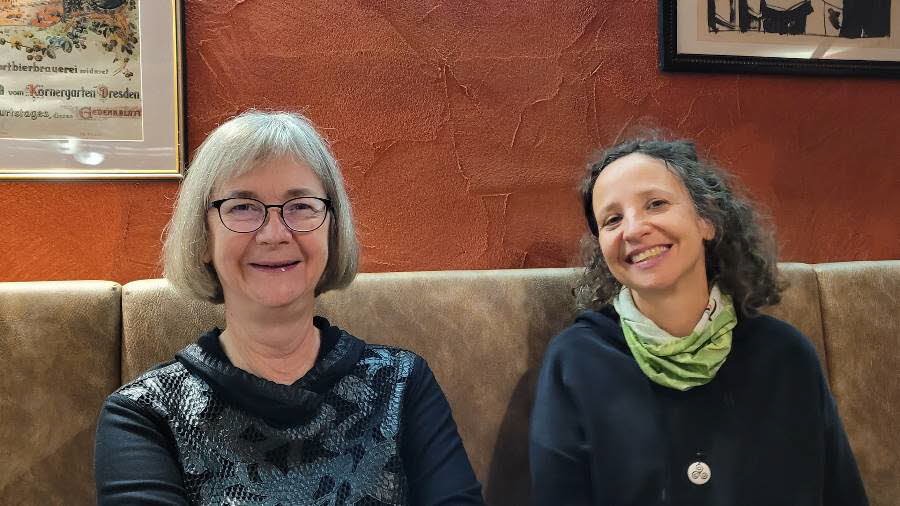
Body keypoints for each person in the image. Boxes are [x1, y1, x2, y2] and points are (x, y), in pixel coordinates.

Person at [94, 110, 485, 505]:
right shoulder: (143, 414)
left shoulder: (402, 382)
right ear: (203, 237)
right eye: (242, 207)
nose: (275, 234)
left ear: (332, 228)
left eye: (300, 206)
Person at [529, 138, 868, 505]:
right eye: (612, 220)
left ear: (706, 220)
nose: (634, 229)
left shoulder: (786, 355)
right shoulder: (576, 362)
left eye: (656, 204)